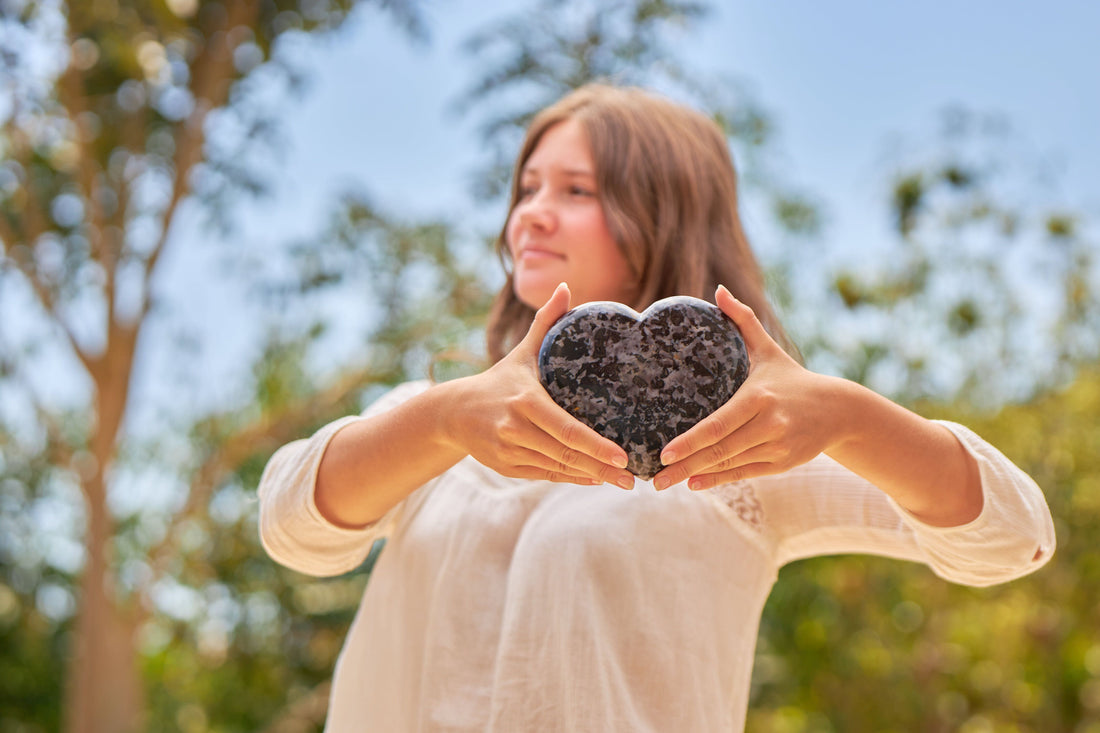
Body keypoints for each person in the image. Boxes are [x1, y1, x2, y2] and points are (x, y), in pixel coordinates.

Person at [257, 84, 1055, 731]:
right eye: (527, 187)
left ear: (661, 213)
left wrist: (847, 415)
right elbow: (294, 527)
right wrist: (438, 421)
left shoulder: (748, 435)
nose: (530, 212)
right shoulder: (439, 418)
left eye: (576, 191)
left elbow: (1012, 537)